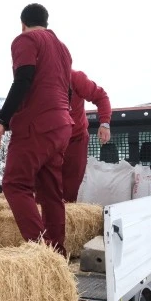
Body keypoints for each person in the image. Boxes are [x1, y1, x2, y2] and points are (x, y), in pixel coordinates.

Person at [0, 3, 73, 256]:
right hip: (62, 123)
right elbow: (68, 90)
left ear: (22, 23)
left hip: (37, 123)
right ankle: (58, 253)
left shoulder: (26, 39)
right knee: (50, 191)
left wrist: (2, 120)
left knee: (15, 185)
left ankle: (42, 254)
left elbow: (23, 79)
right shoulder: (63, 49)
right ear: (46, 23)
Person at [62, 70, 112, 202]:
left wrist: (105, 123)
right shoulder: (36, 79)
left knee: (70, 189)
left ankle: (66, 216)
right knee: (44, 186)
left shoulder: (76, 78)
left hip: (76, 140)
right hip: (49, 141)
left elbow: (101, 97)